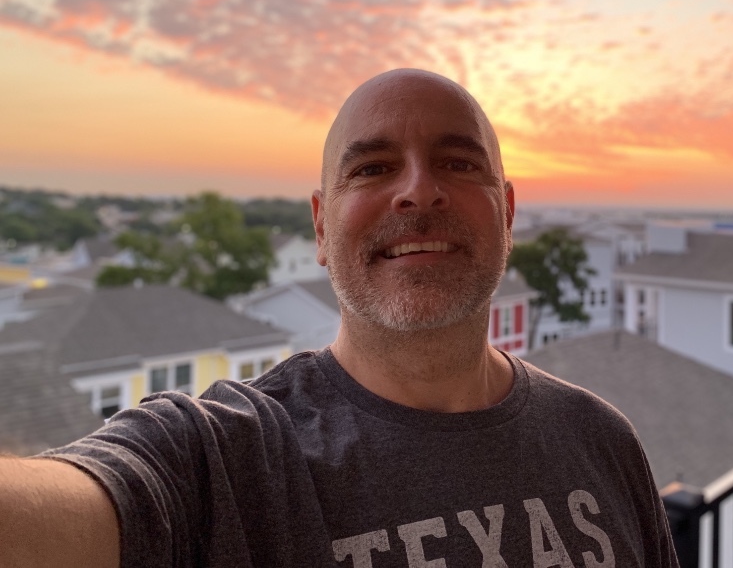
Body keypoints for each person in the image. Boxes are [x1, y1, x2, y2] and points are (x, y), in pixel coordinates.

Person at [0, 69, 679, 567]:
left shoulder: (601, 440)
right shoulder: (227, 462)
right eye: (374, 168)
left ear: (506, 212)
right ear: (322, 228)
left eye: (456, 162)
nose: (418, 191)